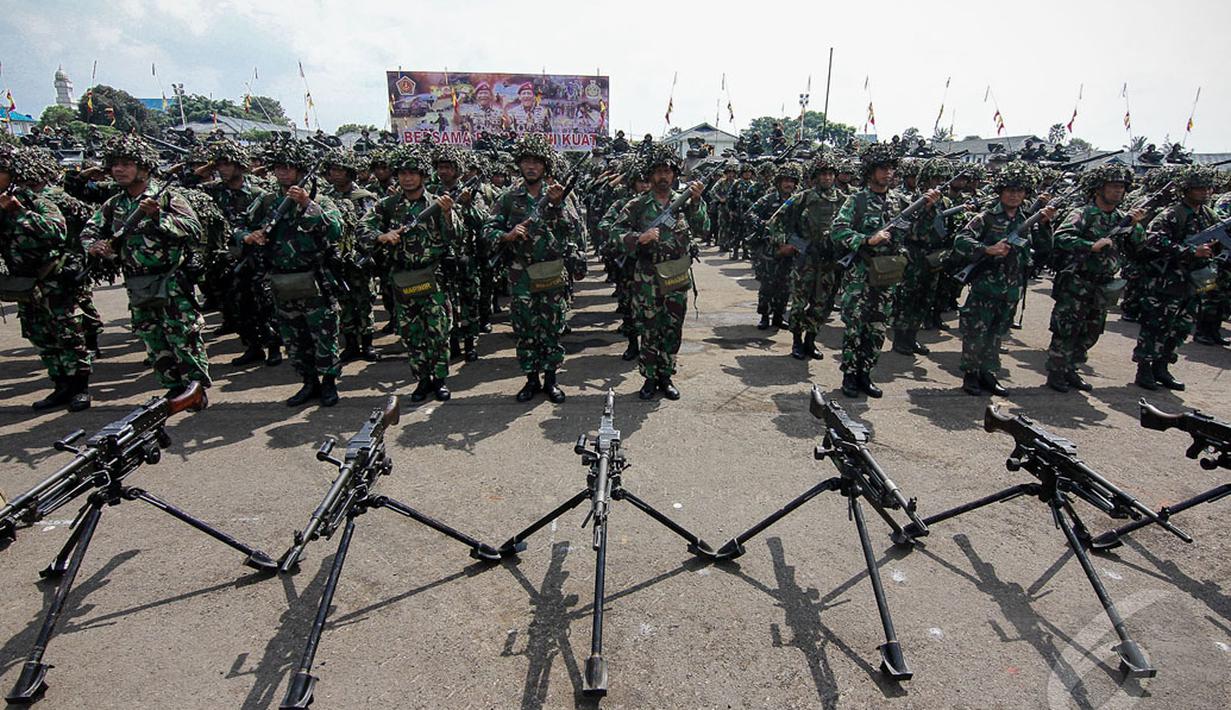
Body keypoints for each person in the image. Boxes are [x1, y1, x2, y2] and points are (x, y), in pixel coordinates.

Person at [81, 135, 209, 401]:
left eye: (126, 164)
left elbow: (195, 231)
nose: (118, 170)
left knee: (184, 337)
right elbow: (90, 231)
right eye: (115, 164)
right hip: (138, 284)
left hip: (171, 282)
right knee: (153, 339)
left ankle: (195, 390)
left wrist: (158, 217)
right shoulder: (115, 204)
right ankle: (172, 388)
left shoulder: (168, 198)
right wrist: (95, 247)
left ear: (144, 167)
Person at [237, 139, 344, 407]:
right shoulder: (267, 200)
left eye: (289, 168)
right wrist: (249, 236)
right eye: (278, 168)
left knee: (324, 335)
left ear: (300, 170)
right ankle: (309, 382)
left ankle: (329, 382)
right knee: (294, 337)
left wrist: (307, 204)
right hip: (281, 281)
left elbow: (335, 230)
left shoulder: (320, 199)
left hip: (315, 280)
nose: (283, 173)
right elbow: (239, 227)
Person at [484, 133, 582, 403]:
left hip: (551, 273)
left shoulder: (558, 194)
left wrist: (558, 204)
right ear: (519, 165)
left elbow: (573, 228)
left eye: (536, 162)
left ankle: (551, 380)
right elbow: (487, 230)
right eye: (526, 161)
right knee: (525, 330)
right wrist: (507, 234)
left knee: (552, 327)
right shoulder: (508, 198)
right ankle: (531, 380)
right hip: (521, 275)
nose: (531, 167)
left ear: (545, 166)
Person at [831, 143, 935, 398]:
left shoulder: (901, 202)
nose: (887, 173)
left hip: (887, 277)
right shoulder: (856, 200)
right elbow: (837, 230)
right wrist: (867, 240)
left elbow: (920, 233)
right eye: (882, 168)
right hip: (861, 277)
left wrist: (930, 210)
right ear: (870, 171)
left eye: (890, 168)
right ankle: (850, 375)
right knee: (855, 327)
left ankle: (866, 374)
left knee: (877, 329)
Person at [359, 144, 459, 402]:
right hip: (402, 278)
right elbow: (362, 228)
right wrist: (381, 235)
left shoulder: (436, 203)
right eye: (402, 173)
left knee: (438, 331)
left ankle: (440, 379)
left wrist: (448, 214)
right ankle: (422, 380)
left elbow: (456, 237)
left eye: (413, 172)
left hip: (432, 278)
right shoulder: (388, 205)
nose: (407, 178)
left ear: (424, 175)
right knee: (411, 333)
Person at [611, 144, 708, 400]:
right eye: (657, 172)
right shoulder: (638, 205)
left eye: (667, 171)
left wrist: (697, 202)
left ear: (675, 174)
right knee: (649, 328)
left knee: (672, 328)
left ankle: (666, 376)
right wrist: (638, 237)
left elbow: (704, 227)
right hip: (648, 278)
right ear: (650, 175)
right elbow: (612, 233)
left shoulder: (685, 200)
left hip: (676, 276)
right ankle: (649, 377)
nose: (663, 176)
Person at [0, 145, 92, 411]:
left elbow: (56, 232)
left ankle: (79, 388)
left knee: (67, 335)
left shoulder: (34, 201)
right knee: (39, 336)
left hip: (54, 280)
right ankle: (60, 386)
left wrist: (18, 212)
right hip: (24, 285)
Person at [952, 161, 1054, 396]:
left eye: (1019, 191)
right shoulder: (986, 217)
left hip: (1011, 288)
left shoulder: (1028, 220)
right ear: (1000, 192)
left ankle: (988, 372)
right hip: (985, 286)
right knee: (976, 332)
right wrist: (987, 249)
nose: (1014, 195)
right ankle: (971, 373)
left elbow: (1045, 248)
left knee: (997, 333)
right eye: (1009, 190)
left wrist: (1045, 225)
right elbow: (961, 240)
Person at [1045, 165, 1145, 392]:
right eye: (1113, 187)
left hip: (1103, 284)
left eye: (1121, 187)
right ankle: (1057, 371)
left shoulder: (1122, 218)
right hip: (1077, 282)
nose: (1118, 191)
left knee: (1091, 330)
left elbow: (1138, 246)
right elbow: (1062, 237)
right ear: (1099, 189)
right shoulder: (1083, 213)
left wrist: (1136, 226)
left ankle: (1072, 368)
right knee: (1066, 329)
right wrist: (1090, 246)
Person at [1132, 165, 1220, 390]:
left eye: (1207, 188)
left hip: (1193, 282)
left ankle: (1162, 367)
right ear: (1186, 189)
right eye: (1199, 188)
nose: (1205, 192)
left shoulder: (1208, 215)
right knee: (1156, 325)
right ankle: (1144, 369)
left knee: (1180, 327)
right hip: (1167, 281)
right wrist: (1190, 251)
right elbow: (1153, 240)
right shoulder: (1172, 214)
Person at [201, 140, 281, 367]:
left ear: (239, 165)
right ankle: (253, 347)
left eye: (226, 164)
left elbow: (271, 222)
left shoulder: (258, 193)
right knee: (239, 306)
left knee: (264, 304)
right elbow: (185, 184)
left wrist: (255, 235)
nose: (221, 169)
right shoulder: (215, 191)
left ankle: (273, 345)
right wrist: (207, 167)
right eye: (218, 165)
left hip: (258, 257)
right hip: (231, 257)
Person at [770, 152, 845, 360]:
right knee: (799, 304)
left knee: (821, 305)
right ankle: (796, 341)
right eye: (823, 174)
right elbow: (777, 222)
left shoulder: (844, 200)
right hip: (805, 260)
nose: (827, 178)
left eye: (830, 174)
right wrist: (791, 245)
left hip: (828, 261)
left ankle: (811, 341)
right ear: (815, 176)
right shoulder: (801, 198)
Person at [320, 148, 380, 363]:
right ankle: (351, 343)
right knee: (343, 302)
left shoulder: (364, 197)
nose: (335, 174)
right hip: (336, 258)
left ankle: (368, 343)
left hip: (359, 257)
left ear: (350, 172)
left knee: (364, 300)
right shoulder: (325, 198)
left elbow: (373, 226)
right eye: (332, 170)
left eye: (340, 170)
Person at [748, 162, 801, 330]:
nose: (788, 184)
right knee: (767, 285)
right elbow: (750, 214)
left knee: (785, 286)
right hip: (769, 251)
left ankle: (778, 316)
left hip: (790, 250)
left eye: (791, 181)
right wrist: (764, 225)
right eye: (785, 180)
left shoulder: (798, 200)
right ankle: (764, 315)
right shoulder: (768, 199)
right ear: (778, 182)